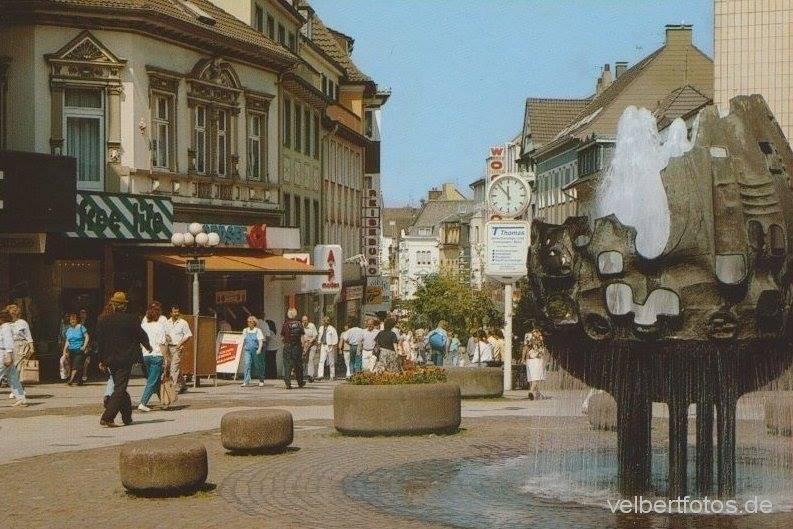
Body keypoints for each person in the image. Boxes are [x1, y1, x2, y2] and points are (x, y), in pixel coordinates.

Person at [97, 292, 151, 427]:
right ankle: (108, 417)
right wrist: (148, 346)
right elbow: (141, 335)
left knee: (119, 386)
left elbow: (100, 342)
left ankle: (127, 417)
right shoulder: (131, 319)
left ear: (113, 305)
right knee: (120, 388)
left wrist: (102, 360)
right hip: (125, 359)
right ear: (124, 306)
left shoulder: (103, 320)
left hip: (110, 359)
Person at [138, 303, 167, 412]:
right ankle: (143, 403)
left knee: (155, 380)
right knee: (152, 381)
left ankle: (164, 402)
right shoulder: (160, 326)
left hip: (145, 356)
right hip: (156, 356)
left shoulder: (143, 326)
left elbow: (140, 342)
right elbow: (162, 344)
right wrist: (166, 358)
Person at [5, 304, 34, 399]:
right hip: (10, 347)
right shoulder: (6, 324)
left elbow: (28, 335)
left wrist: (31, 347)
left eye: (12, 312)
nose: (11, 314)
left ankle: (18, 390)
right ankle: (18, 389)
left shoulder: (23, 323)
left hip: (22, 346)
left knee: (19, 369)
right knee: (12, 369)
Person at [0, 310, 26, 406]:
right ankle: (21, 399)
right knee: (13, 378)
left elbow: (8, 342)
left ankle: (21, 399)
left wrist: (9, 356)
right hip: (6, 353)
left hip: (4, 354)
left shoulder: (6, 327)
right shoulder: (5, 327)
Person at [165, 305, 192, 394]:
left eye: (177, 312)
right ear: (171, 313)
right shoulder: (166, 322)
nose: (176, 313)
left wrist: (181, 343)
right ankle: (184, 386)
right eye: (174, 312)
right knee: (172, 368)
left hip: (178, 348)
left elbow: (188, 335)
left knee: (174, 367)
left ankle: (172, 388)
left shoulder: (183, 322)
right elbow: (163, 334)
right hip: (168, 347)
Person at [63, 313, 90, 386]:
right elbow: (67, 341)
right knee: (75, 365)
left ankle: (71, 380)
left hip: (79, 349)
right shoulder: (69, 330)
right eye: (71, 320)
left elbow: (87, 337)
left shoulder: (81, 327)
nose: (72, 321)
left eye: (73, 319)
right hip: (71, 350)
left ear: (76, 320)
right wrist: (64, 350)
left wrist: (84, 346)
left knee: (76, 365)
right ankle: (79, 380)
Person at [280, 308, 305, 389]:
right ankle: (300, 382)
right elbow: (302, 337)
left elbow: (282, 337)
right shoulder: (299, 324)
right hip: (297, 346)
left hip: (287, 346)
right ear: (295, 314)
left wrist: (285, 343)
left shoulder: (285, 324)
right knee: (298, 365)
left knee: (287, 365)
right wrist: (303, 347)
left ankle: (288, 382)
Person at [241, 316, 265, 387]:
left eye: (251, 322)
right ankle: (246, 380)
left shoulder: (258, 330)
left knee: (257, 365)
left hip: (255, 349)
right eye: (248, 322)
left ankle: (261, 379)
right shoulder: (245, 330)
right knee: (247, 363)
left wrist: (259, 349)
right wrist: (242, 348)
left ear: (254, 323)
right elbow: (243, 340)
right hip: (247, 350)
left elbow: (260, 341)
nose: (250, 323)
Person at [314, 315, 338, 381]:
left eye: (325, 321)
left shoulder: (332, 329)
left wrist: (333, 345)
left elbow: (335, 338)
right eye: (324, 321)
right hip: (323, 345)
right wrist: (319, 343)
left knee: (331, 361)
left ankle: (332, 375)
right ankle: (320, 375)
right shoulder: (321, 328)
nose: (324, 322)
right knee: (321, 361)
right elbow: (319, 336)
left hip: (330, 345)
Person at [526, 329, 547, 400]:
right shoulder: (540, 341)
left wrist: (524, 358)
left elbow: (526, 349)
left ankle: (537, 393)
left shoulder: (529, 340)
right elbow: (542, 351)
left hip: (530, 360)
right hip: (537, 360)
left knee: (532, 378)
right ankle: (531, 391)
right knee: (536, 378)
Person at [301, 315, 318, 382]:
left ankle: (310, 375)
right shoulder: (301, 327)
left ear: (308, 320)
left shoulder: (312, 326)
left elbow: (315, 335)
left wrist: (311, 340)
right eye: (303, 321)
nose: (305, 322)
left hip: (312, 344)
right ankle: (302, 374)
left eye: (306, 320)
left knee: (311, 359)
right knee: (304, 359)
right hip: (304, 345)